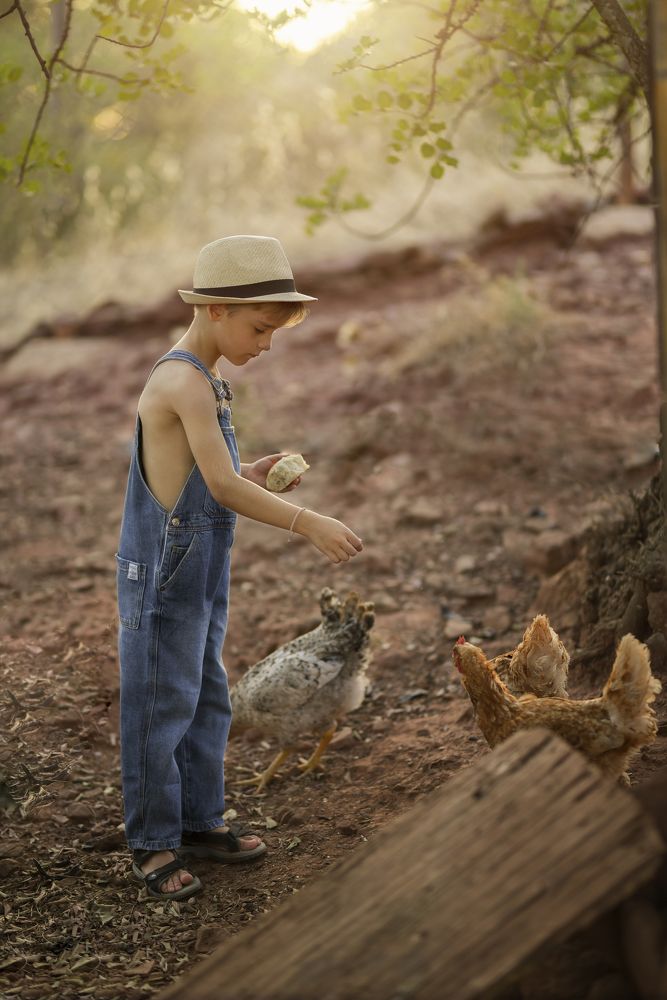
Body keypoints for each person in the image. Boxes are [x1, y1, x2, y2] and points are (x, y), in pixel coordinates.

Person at [116, 235, 363, 901]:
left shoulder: (208, 379)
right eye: (260, 328)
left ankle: (198, 819)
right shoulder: (179, 381)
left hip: (198, 567)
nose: (266, 345)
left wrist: (253, 472)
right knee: (159, 701)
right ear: (216, 311)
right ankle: (151, 839)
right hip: (164, 569)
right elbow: (220, 490)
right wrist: (306, 521)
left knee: (205, 693)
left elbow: (214, 474)